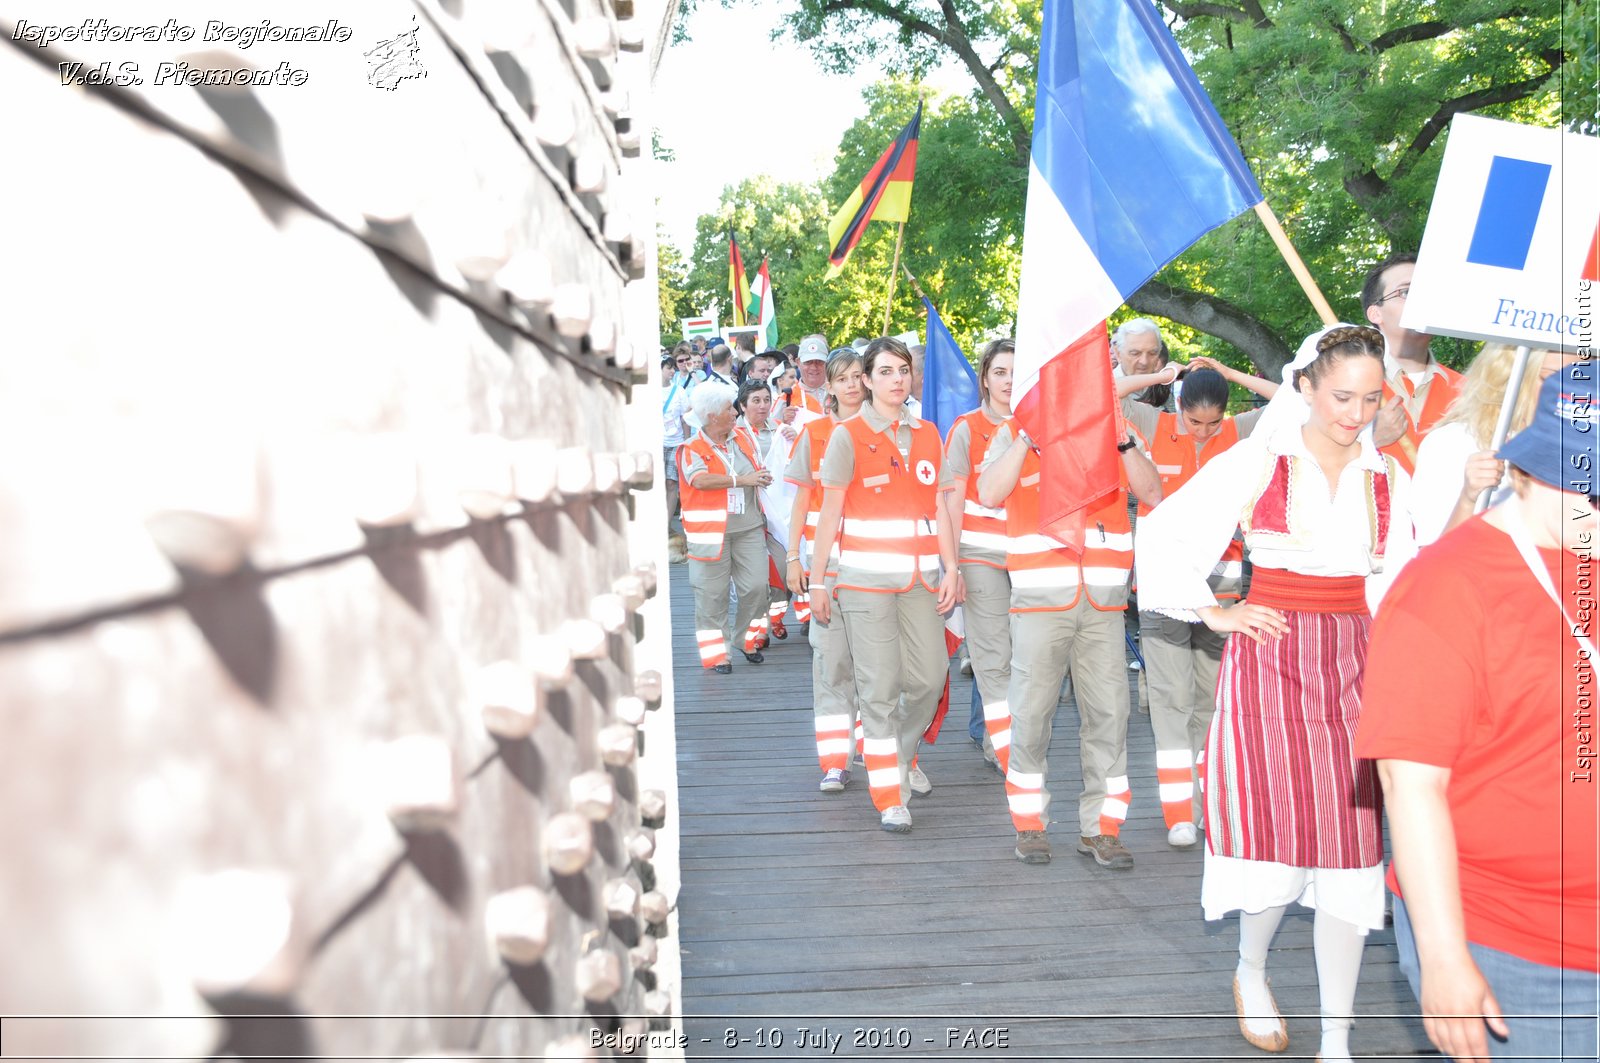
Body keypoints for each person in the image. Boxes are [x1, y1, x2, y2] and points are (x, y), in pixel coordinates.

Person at [1136, 324, 1417, 1063]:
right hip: (1271, 658)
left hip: (1359, 664)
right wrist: (1216, 611)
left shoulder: (1389, 475)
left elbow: (1405, 583)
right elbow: (1164, 534)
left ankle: (1337, 1041)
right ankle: (1251, 969)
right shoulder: (1258, 461)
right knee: (1274, 834)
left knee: (1350, 848)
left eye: (1370, 397)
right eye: (1342, 395)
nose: (1356, 412)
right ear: (1305, 387)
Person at [1356, 361, 1597, 1061]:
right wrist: (1445, 957)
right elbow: (1411, 783)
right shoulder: (1445, 588)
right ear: (1529, 470)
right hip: (1522, 947)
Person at [977, 369, 1163, 868]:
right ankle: (1030, 824)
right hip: (1040, 601)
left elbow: (1153, 493)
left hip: (1103, 605)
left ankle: (1102, 829)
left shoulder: (1118, 428)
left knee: (1110, 718)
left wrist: (1124, 443)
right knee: (1031, 716)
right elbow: (990, 493)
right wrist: (1025, 438)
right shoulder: (1016, 429)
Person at [1117, 359, 1277, 848]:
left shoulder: (1242, 432)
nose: (1204, 432)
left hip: (1222, 591)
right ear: (1179, 407)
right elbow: (1103, 394)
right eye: (1194, 421)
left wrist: (1232, 374)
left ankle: (1210, 804)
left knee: (1209, 704)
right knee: (1170, 700)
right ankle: (1178, 813)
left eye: (1212, 423)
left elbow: (1295, 398)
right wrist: (1158, 378)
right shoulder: (1153, 423)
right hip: (1164, 592)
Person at [808, 338, 961, 832]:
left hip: (921, 581)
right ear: (866, 381)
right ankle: (889, 794)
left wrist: (952, 568)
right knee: (878, 689)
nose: (899, 379)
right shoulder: (846, 436)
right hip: (864, 585)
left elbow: (939, 507)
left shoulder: (928, 433)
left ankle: (899, 752)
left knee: (929, 679)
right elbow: (828, 512)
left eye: (904, 371)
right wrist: (817, 582)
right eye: (887, 372)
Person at [784, 350, 868, 791]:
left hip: (875, 566)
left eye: (858, 376)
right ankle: (837, 759)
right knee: (832, 663)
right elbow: (800, 500)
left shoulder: (889, 431)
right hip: (826, 567)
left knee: (878, 667)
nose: (852, 385)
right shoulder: (814, 434)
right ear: (829, 388)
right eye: (842, 378)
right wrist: (793, 557)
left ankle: (883, 751)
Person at [1409, 343, 1577, 545]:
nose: (1568, 392)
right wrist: (1468, 498)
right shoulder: (1452, 444)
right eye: (1551, 377)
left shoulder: (1581, 449)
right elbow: (1433, 559)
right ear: (1511, 374)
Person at [940, 339, 1015, 770]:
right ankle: (1005, 749)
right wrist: (952, 565)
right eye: (999, 372)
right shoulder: (966, 428)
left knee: (1024, 653)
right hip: (979, 553)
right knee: (992, 653)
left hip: (1030, 557)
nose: (1007, 381)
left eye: (1014, 373)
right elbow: (950, 501)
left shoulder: (1040, 424)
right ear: (984, 378)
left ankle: (994, 731)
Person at [677, 382, 773, 674]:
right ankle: (718, 655)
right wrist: (741, 481)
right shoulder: (691, 448)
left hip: (749, 528)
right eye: (728, 409)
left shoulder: (743, 437)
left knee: (757, 587)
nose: (734, 412)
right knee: (711, 597)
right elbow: (700, 481)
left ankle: (746, 640)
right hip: (709, 536)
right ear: (710, 416)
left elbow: (770, 446)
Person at [1361, 252, 1463, 474]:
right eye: (1406, 292)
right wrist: (1372, 440)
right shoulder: (1346, 386)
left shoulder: (1470, 392)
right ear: (1375, 313)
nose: (1421, 300)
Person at [737, 379, 798, 645]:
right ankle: (758, 631)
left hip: (777, 513)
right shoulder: (733, 433)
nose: (762, 406)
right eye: (755, 401)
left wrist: (795, 439)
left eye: (765, 400)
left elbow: (797, 461)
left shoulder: (781, 430)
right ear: (742, 405)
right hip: (747, 514)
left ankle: (777, 615)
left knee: (785, 569)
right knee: (757, 577)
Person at [662, 342, 698, 565]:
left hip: (674, 442)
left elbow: (685, 418)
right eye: (669, 367)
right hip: (654, 442)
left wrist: (686, 443)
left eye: (672, 368)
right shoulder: (646, 390)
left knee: (671, 483)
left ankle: (665, 524)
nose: (672, 370)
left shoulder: (679, 391)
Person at [786, 336, 830, 418]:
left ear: (827, 362)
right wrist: (783, 422)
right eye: (808, 362)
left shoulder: (839, 392)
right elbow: (771, 428)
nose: (814, 367)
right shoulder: (786, 397)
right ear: (798, 362)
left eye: (819, 362)